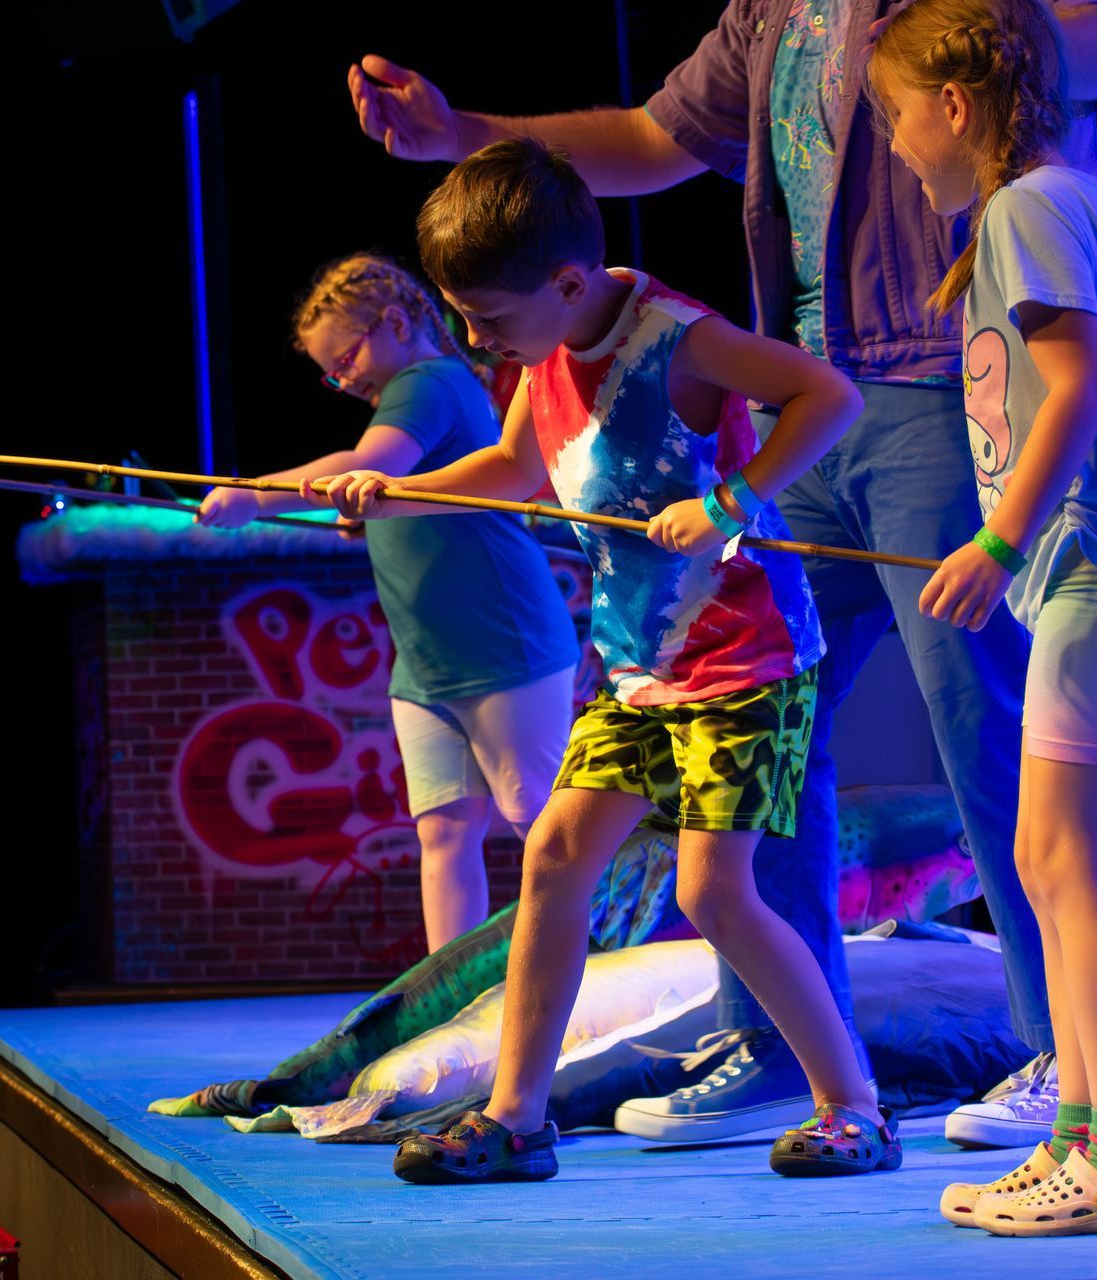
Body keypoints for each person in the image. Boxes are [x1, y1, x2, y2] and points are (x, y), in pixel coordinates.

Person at [343, 0, 1097, 1147]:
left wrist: (981, 31)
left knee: (981, 720)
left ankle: (1063, 1048)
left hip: (919, 382)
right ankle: (774, 1047)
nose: (477, 342)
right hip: (787, 424)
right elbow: (653, 136)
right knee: (744, 781)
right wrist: (457, 131)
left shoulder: (675, 326)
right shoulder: (768, 16)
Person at [312, 138, 887, 1183]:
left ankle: (854, 1104)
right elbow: (514, 467)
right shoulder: (540, 358)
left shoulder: (682, 340)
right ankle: (518, 1118)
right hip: (639, 668)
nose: (476, 337)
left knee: (717, 892)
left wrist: (732, 496)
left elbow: (827, 397)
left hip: (746, 662)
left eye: (488, 316)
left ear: (569, 281)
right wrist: (393, 490)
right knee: (556, 857)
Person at [870, 0, 1097, 1233]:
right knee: (1045, 855)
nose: (898, 146)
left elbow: (1077, 383)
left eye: (899, 115)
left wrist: (999, 537)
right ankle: (1086, 1133)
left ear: (955, 105)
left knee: (1068, 860)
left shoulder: (1031, 206)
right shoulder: (1044, 207)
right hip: (1093, 577)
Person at [197, 253, 580, 951]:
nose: (344, 382)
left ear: (395, 323)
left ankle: (605, 981)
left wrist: (253, 495)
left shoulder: (428, 380)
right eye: (331, 372)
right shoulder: (416, 389)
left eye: (344, 360)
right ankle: (453, 1002)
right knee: (444, 828)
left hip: (504, 646)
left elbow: (368, 464)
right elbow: (384, 488)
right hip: (427, 666)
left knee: (541, 825)